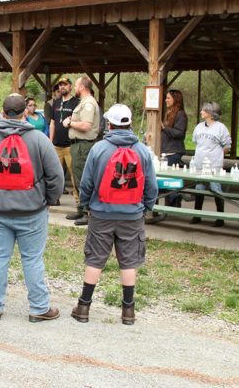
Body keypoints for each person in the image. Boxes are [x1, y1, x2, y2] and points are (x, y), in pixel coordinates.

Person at [0, 94, 64, 322]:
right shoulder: (39, 140)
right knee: (32, 259)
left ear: (2, 113)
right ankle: (39, 308)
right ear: (25, 114)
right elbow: (56, 176)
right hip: (32, 210)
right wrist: (49, 199)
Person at [71, 104, 157, 325]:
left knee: (95, 259)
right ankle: (128, 311)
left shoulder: (98, 149)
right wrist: (146, 207)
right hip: (132, 214)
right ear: (129, 123)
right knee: (128, 262)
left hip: (101, 213)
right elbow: (151, 186)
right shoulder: (143, 151)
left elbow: (87, 183)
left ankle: (83, 307)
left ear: (109, 124)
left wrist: (87, 206)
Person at [65, 76, 101, 226]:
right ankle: (81, 209)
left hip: (83, 145)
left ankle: (87, 212)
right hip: (77, 145)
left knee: (83, 178)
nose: (74, 88)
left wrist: (69, 123)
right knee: (77, 177)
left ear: (82, 87)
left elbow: (86, 126)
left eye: (76, 86)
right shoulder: (84, 102)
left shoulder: (88, 103)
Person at [188, 102, 231, 226]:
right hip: (199, 164)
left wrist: (217, 155)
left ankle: (220, 218)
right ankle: (197, 215)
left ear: (211, 113)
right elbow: (196, 142)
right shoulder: (199, 127)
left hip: (214, 165)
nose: (201, 112)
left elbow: (227, 146)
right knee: (199, 188)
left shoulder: (221, 128)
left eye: (203, 110)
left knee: (216, 189)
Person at [49, 78, 79, 205]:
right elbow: (52, 123)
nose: (62, 87)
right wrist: (50, 142)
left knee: (74, 175)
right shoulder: (56, 102)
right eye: (60, 85)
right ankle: (55, 198)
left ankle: (79, 201)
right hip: (56, 145)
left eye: (65, 84)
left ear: (71, 87)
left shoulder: (77, 103)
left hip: (70, 145)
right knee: (55, 174)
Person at [160, 90, 188, 207]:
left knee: (171, 181)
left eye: (168, 98)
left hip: (174, 151)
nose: (166, 100)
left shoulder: (181, 114)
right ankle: (170, 205)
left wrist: (164, 127)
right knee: (166, 180)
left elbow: (180, 133)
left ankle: (175, 203)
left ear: (175, 99)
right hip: (166, 151)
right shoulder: (169, 113)